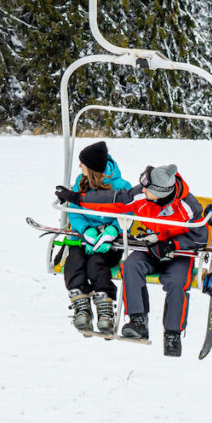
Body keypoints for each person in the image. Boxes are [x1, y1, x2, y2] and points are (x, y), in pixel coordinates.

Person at [55, 164, 207, 357]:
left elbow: (201, 237)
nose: (142, 190)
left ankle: (172, 334)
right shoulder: (140, 195)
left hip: (180, 253)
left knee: (177, 282)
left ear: (160, 192)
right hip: (150, 246)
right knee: (131, 266)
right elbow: (111, 200)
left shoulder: (188, 206)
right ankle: (137, 320)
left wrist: (171, 245)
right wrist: (76, 197)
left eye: (147, 188)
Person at [62, 141, 131, 334]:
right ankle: (81, 305)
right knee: (73, 261)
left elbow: (128, 215)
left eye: (82, 163)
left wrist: (111, 231)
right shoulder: (80, 181)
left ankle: (105, 308)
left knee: (95, 264)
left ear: (92, 167)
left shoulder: (120, 187)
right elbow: (73, 211)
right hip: (85, 239)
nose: (79, 167)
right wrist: (86, 231)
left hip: (110, 244)